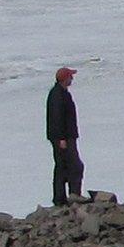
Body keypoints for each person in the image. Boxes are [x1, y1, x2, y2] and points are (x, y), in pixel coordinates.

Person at [46, 66, 84, 205]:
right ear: (65, 79)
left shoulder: (61, 93)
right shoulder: (58, 95)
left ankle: (63, 197)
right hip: (63, 138)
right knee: (72, 166)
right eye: (70, 76)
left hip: (65, 137)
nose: (72, 79)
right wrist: (61, 138)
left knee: (63, 166)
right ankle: (71, 195)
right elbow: (56, 118)